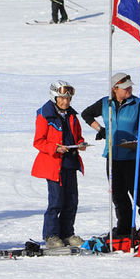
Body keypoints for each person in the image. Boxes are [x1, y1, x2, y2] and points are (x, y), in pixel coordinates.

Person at [81, 72, 140, 237]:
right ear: (115, 89)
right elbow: (86, 114)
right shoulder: (105, 103)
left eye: (130, 86)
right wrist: (101, 130)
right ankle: (124, 228)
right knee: (119, 195)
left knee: (139, 194)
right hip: (112, 157)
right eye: (125, 87)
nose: (129, 89)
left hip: (132, 157)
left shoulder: (138, 104)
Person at [31, 80, 87, 248]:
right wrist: (55, 148)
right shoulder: (44, 115)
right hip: (54, 164)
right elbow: (38, 142)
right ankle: (51, 235)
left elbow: (77, 136)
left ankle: (67, 233)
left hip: (70, 162)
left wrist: (81, 143)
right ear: (54, 97)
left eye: (68, 99)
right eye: (62, 98)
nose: (66, 102)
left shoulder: (72, 116)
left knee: (72, 200)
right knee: (56, 201)